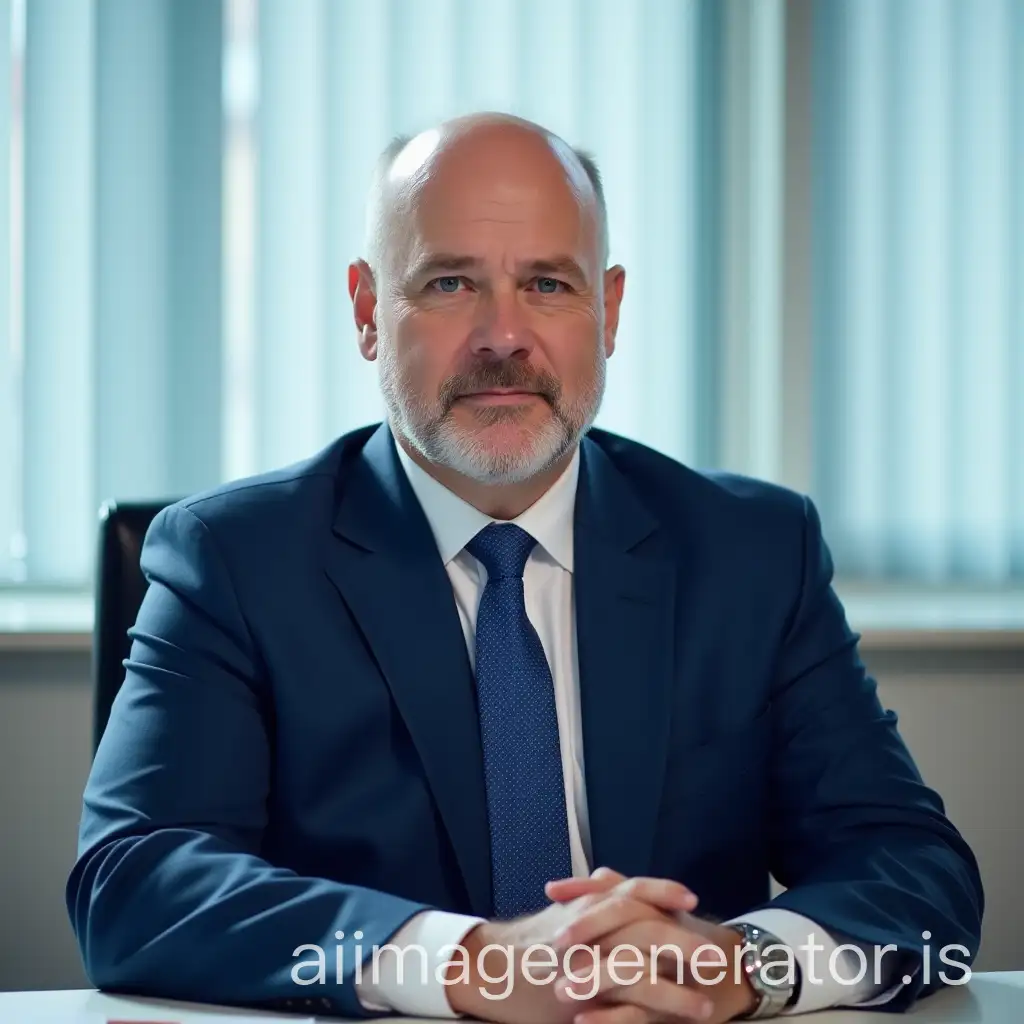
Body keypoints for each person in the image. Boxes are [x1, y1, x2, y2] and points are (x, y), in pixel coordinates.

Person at [67, 113, 983, 1023]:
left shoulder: (751, 551)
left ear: (609, 312)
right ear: (365, 312)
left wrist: (748, 965)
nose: (502, 336)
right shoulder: (235, 559)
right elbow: (132, 882)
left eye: (547, 283)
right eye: (451, 281)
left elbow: (914, 872)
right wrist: (469, 962)